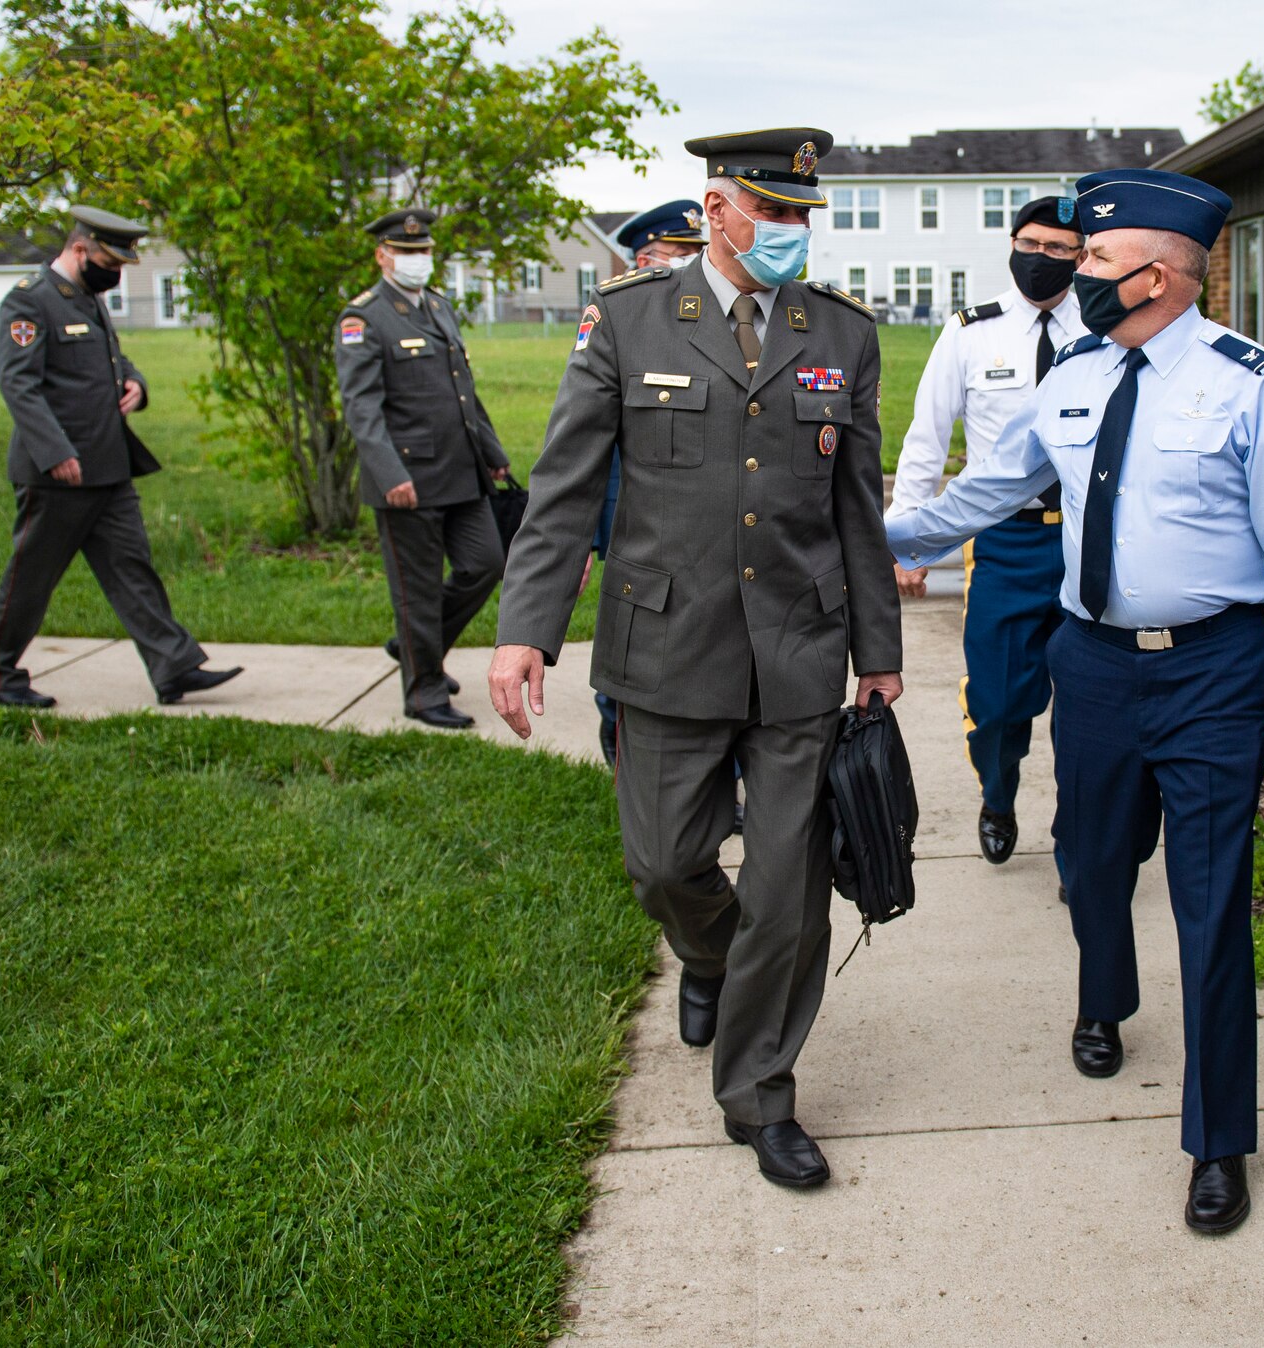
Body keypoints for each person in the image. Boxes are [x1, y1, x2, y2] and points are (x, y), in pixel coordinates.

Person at [887, 168, 1264, 1235]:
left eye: (1090, 260)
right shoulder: (1074, 373)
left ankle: (1219, 1140)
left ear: (1155, 275)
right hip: (1089, 660)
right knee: (1090, 864)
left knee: (1209, 900)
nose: (1068, 273)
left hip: (1215, 670)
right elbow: (991, 487)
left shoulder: (1250, 384)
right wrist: (882, 535)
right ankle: (1104, 994)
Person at [488, 129, 903, 1190]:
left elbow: (857, 503)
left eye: (804, 215)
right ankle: (712, 959)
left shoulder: (841, 336)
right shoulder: (626, 323)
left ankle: (760, 1094)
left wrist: (878, 649)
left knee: (787, 889)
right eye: (772, 212)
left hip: (799, 652)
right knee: (664, 864)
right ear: (714, 209)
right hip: (666, 642)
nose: (791, 233)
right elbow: (564, 487)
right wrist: (523, 630)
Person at [0, 206, 242, 710]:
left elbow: (112, 358)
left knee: (132, 569)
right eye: (108, 261)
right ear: (79, 250)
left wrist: (136, 384)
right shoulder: (29, 304)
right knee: (31, 578)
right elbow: (20, 387)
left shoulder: (87, 299)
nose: (115, 273)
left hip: (107, 467)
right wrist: (54, 452)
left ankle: (174, 667)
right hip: (57, 475)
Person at [890, 195, 1087, 869]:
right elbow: (927, 434)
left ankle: (1078, 839)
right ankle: (998, 796)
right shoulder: (973, 331)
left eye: (1059, 249)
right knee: (1000, 701)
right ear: (1011, 244)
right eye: (1030, 244)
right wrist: (910, 545)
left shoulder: (1105, 327)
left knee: (1089, 705)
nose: (1041, 258)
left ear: (1083, 256)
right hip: (1005, 540)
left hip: (1091, 541)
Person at [335, 208, 511, 730]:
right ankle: (424, 693)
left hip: (461, 470)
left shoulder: (438, 306)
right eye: (407, 252)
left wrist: (493, 452)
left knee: (486, 563)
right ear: (382, 256)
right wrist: (390, 475)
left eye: (424, 251)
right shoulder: (363, 318)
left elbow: (464, 393)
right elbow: (361, 409)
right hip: (408, 480)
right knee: (415, 589)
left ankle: (414, 648)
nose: (418, 260)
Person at [587, 201, 711, 767]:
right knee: (634, 643)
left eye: (696, 252)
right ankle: (623, 750)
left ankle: (719, 778)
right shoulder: (616, 318)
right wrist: (589, 539)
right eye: (680, 254)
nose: (693, 264)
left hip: (698, 523)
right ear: (644, 260)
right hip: (627, 519)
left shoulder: (704, 319)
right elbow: (585, 452)